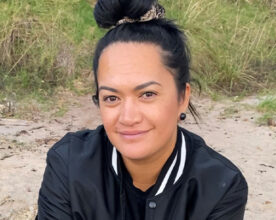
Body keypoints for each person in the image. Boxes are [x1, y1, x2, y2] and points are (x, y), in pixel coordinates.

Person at [37, 0, 248, 219]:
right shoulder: (68, 165)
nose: (128, 117)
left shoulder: (221, 186)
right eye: (111, 98)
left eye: (147, 94)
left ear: (183, 97)